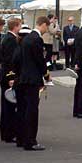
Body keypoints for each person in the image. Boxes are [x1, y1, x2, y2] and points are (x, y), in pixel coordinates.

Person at [17, 16, 50, 151]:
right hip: (32, 79)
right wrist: (46, 75)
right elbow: (39, 60)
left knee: (24, 109)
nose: (46, 30)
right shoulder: (36, 39)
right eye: (46, 27)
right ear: (42, 25)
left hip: (24, 77)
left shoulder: (27, 39)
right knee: (32, 110)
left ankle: (23, 138)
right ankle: (30, 140)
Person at [0, 17, 22, 143]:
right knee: (9, 107)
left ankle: (7, 132)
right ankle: (8, 133)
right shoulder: (11, 40)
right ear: (16, 26)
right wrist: (11, 77)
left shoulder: (8, 38)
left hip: (7, 75)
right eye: (20, 25)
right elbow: (9, 61)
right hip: (8, 77)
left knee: (8, 106)